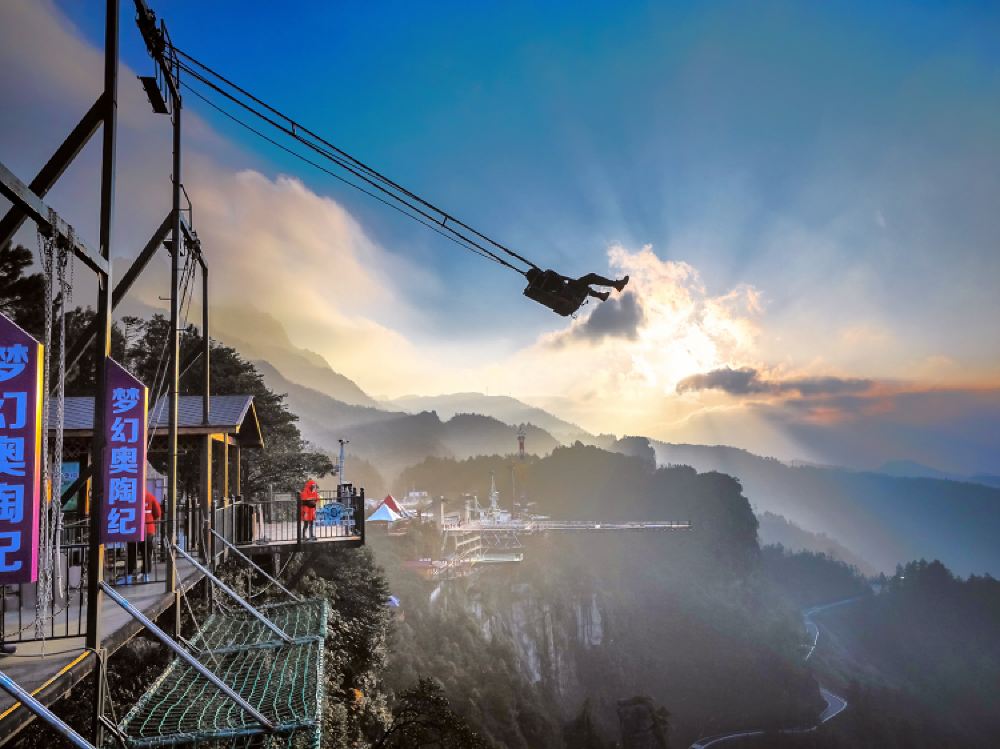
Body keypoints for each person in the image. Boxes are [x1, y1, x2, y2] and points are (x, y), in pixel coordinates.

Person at [523, 267, 629, 316]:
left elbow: (561, 280)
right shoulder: (546, 281)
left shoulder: (540, 286)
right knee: (590, 278)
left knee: (584, 284)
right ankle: (615, 285)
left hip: (569, 293)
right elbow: (559, 280)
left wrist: (570, 281)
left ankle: (601, 294)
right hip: (569, 295)